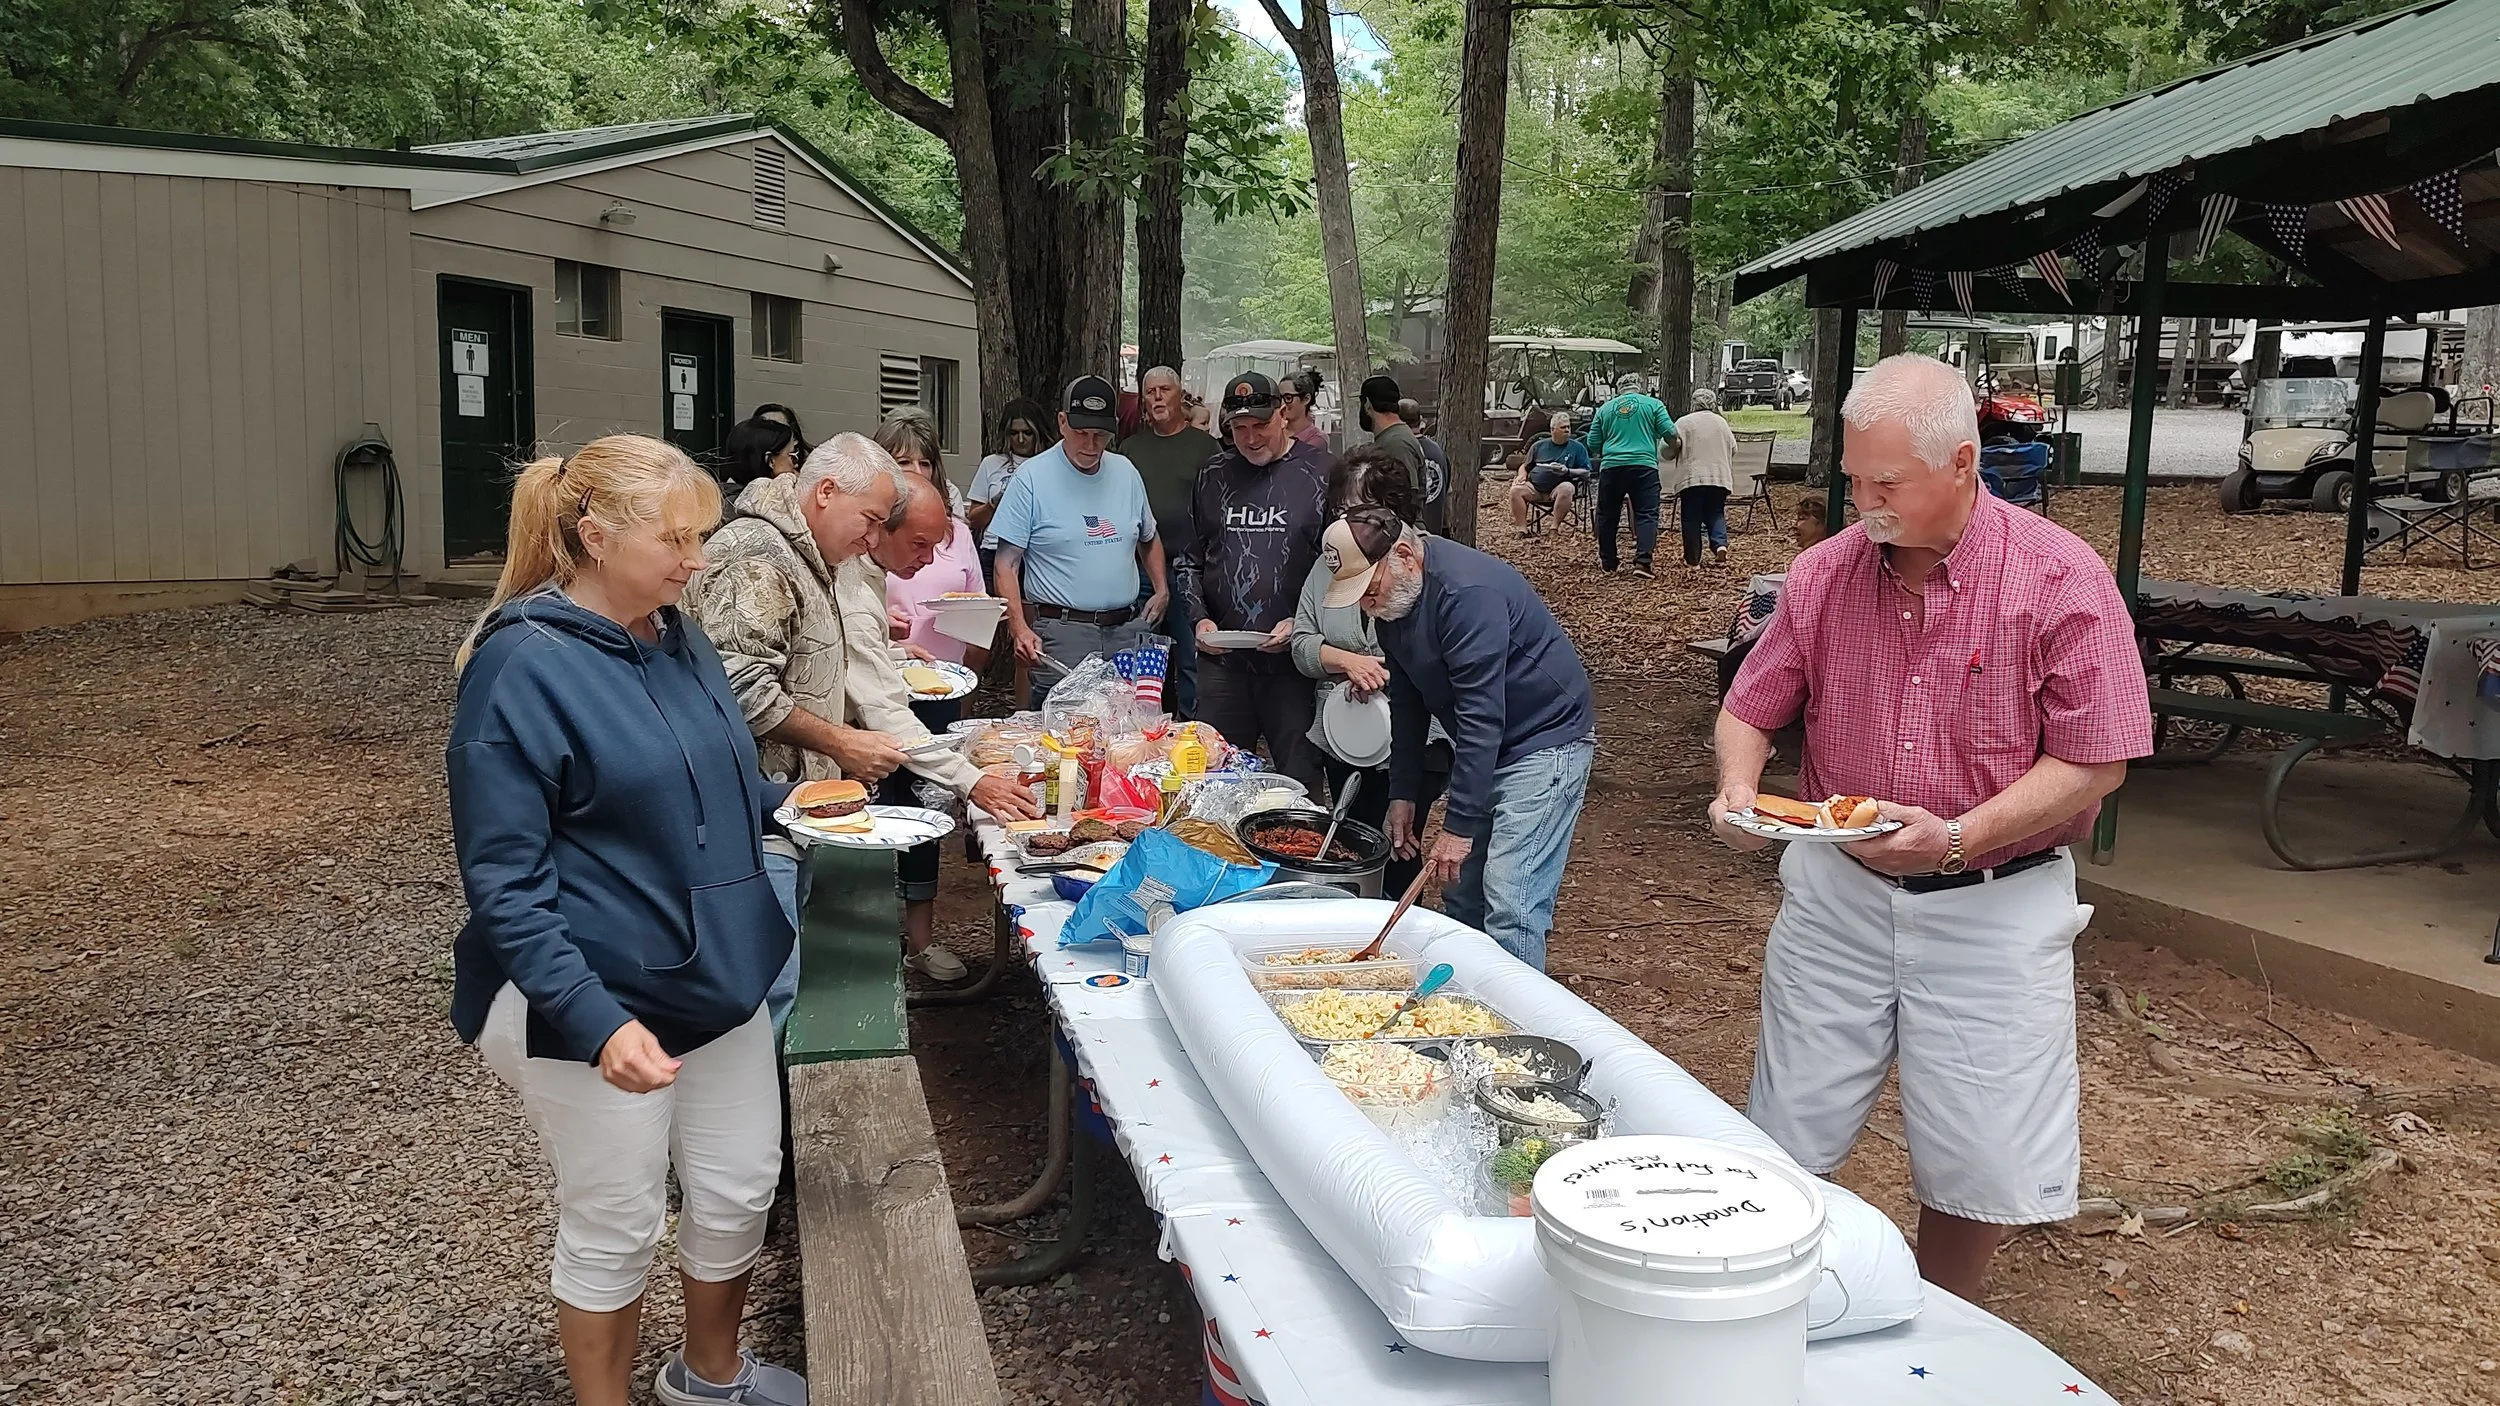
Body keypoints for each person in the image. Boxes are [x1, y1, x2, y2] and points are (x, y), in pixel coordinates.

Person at [1708, 354, 2152, 1299]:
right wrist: (1739, 791)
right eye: (1854, 479)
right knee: (1786, 1124)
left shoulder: (2060, 578)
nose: (1865, 502)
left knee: (1981, 1150)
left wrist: (1958, 836)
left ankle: (1940, 1322)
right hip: (1839, 894)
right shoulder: (1826, 572)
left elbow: (2098, 758)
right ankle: (1765, 1302)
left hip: (1996, 901)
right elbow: (1752, 704)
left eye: (1887, 483)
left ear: (1962, 461)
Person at [446, 434, 807, 1406]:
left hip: (716, 970)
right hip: (590, 996)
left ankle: (709, 1373)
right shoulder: (519, 666)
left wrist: (791, 806)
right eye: (677, 537)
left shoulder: (673, 627)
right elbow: (505, 882)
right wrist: (597, 1019)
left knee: (738, 1184)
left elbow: (704, 778)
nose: (698, 558)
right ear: (595, 536)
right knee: (616, 1216)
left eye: (700, 533)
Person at [678, 433, 913, 1027]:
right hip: (755, 821)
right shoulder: (759, 555)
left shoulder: (809, 553)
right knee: (770, 998)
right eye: (869, 521)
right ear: (826, 492)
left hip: (791, 812)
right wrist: (841, 742)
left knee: (784, 985)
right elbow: (738, 687)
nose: (873, 539)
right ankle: (769, 1115)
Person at [1318, 508, 1598, 969]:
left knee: (1512, 898)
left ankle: (1513, 1026)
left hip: (1545, 741)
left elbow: (1482, 716)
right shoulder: (1397, 602)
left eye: (1369, 590)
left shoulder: (1467, 595)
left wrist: (1458, 827)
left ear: (1403, 556)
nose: (1367, 606)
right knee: (1462, 889)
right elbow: (1407, 700)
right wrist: (1402, 792)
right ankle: (1466, 996)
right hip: (1489, 745)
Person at [860, 410, 1045, 979]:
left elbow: (978, 600)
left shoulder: (956, 531)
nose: (914, 471)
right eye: (901, 461)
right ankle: (868, 945)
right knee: (870, 813)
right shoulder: (859, 545)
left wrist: (971, 656)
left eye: (924, 462)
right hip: (870, 699)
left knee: (922, 816)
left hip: (942, 687)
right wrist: (882, 630)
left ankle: (920, 941)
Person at [1291, 447, 1450, 896]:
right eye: (1340, 509)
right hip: (1345, 735)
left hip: (1416, 733)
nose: (1345, 520)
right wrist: (1345, 661)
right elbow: (1302, 644)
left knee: (1402, 842)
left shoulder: (1420, 563)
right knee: (1353, 839)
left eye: (1357, 509)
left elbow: (1438, 658)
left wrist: (1381, 677)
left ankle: (1401, 929)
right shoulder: (1330, 562)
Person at [1185, 372, 1333, 793]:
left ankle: (1299, 856)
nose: (1250, 438)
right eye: (1239, 428)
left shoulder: (1321, 472)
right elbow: (1190, 559)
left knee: (1300, 779)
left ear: (1284, 414)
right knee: (1214, 781)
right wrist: (1198, 619)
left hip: (1294, 661)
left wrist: (1304, 621)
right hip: (1224, 660)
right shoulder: (1212, 475)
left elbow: (1342, 566)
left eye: (1260, 426)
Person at [992, 376, 1170, 704]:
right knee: (1065, 731)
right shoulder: (1031, 477)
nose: (1090, 445)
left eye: (1100, 435)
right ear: (1062, 422)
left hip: (1127, 628)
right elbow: (1006, 563)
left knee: (1127, 731)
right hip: (1063, 631)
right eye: (1081, 433)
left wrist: (1161, 589)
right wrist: (1018, 627)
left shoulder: (1126, 472)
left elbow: (1148, 536)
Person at [1120, 366, 1223, 717]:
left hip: (1188, 569)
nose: (1158, 397)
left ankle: (1194, 732)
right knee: (1144, 661)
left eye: (1165, 390)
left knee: (1192, 658)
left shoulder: (1206, 448)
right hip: (1140, 570)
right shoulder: (1129, 449)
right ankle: (1147, 732)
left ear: (1181, 395)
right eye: (1150, 392)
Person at [1584, 377, 1678, 577]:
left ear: (1619, 390)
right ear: (1640, 387)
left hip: (1612, 467)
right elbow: (1670, 432)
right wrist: (1673, 447)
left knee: (1607, 515)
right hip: (1644, 467)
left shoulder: (1605, 409)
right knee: (1646, 514)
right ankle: (1642, 562)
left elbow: (1592, 442)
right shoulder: (1653, 405)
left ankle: (1609, 562)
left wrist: (1610, 450)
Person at [968, 399, 1054, 583]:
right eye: (1014, 433)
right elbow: (973, 519)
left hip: (1039, 554)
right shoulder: (991, 463)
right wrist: (993, 505)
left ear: (1038, 433)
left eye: (1027, 433)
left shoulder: (1052, 464)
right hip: (993, 550)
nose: (1020, 439)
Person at [1670, 388, 1738, 570]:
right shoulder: (1721, 423)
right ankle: (1720, 544)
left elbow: (1667, 450)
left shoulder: (1684, 423)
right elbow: (1734, 448)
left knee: (1691, 517)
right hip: (1719, 477)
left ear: (1693, 403)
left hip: (1693, 478)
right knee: (1715, 512)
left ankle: (1693, 560)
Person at [1508, 410, 1591, 535]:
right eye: (1563, 427)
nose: (1567, 430)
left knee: (1567, 488)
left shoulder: (1577, 448)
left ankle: (1554, 528)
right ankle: (1523, 529)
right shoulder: (1538, 446)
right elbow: (1524, 466)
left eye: (1568, 426)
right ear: (1553, 429)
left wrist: (1567, 470)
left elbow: (1586, 472)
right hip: (1535, 488)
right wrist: (1522, 475)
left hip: (1559, 487)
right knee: (1515, 490)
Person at [1399, 398, 1453, 534]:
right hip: (1436, 536)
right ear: (1421, 419)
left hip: (1409, 536)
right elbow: (1447, 497)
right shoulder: (1439, 452)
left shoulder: (1401, 451)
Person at [719, 415, 800, 505]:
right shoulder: (760, 507)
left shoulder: (721, 498)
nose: (795, 465)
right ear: (771, 461)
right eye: (793, 456)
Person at [1280, 368, 1330, 451]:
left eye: (1288, 398)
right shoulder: (1275, 431)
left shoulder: (1316, 439)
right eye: (1279, 398)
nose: (1282, 404)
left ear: (1306, 399)